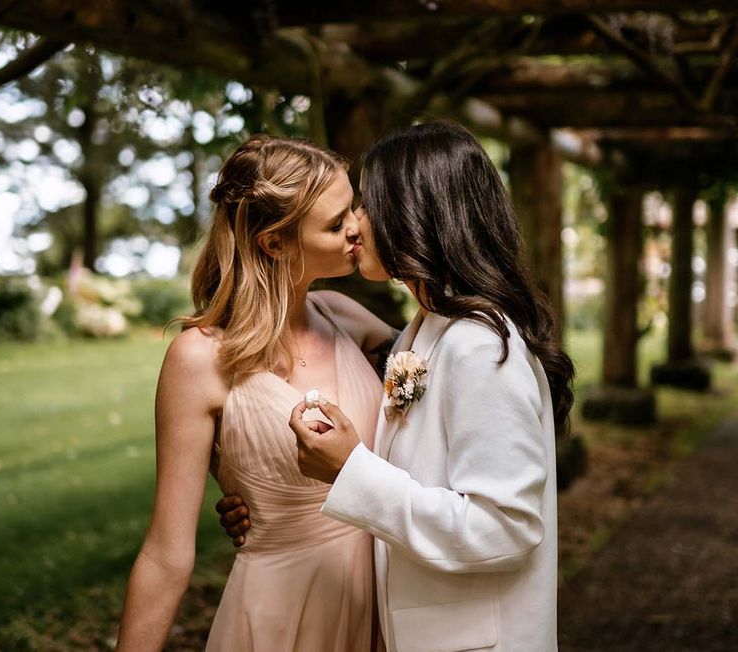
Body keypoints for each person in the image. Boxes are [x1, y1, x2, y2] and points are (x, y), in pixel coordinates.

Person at [222, 121, 575, 651]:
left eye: (366, 204)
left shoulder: (479, 348)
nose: (355, 225)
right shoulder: (427, 331)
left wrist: (351, 471)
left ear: (416, 215)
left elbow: (505, 527)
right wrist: (267, 499)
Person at [115, 134, 395, 651]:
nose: (357, 228)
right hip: (281, 614)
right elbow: (165, 554)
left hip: (383, 605)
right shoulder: (198, 359)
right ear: (274, 242)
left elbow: (448, 390)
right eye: (335, 225)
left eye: (351, 208)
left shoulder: (347, 319)